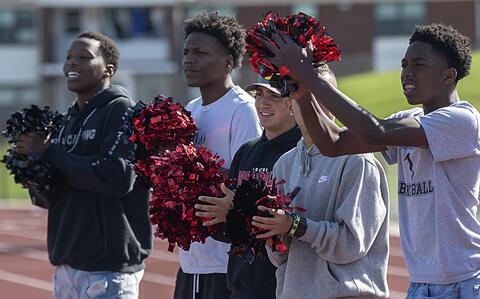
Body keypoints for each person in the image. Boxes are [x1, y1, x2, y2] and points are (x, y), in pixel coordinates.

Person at [263, 23, 480, 297]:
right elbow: (333, 144)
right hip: (420, 284)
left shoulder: (462, 121)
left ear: (449, 75)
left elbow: (373, 130)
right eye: (404, 64)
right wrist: (303, 94)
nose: (407, 72)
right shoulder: (407, 120)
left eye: (419, 65)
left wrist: (308, 75)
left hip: (461, 281)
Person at [13, 31, 153, 298]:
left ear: (107, 69)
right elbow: (54, 195)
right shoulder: (67, 120)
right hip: (67, 265)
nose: (72, 63)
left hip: (109, 269)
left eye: (83, 57)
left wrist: (50, 152)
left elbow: (118, 176)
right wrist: (33, 173)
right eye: (68, 57)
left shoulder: (122, 110)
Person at [251, 64, 390, 299]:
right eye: (304, 96)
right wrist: (269, 230)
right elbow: (278, 256)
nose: (312, 105)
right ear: (289, 104)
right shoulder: (283, 165)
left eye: (323, 96)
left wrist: (295, 225)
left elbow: (352, 243)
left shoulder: (357, 160)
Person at [176, 11, 262, 299]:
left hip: (224, 262)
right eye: (187, 52)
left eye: (200, 53)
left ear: (228, 62)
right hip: (190, 261)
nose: (189, 59)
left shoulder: (243, 110)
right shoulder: (191, 109)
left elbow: (248, 183)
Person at [194, 76, 301, 299]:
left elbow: (294, 220)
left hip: (282, 288)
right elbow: (233, 233)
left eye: (274, 96)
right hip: (241, 286)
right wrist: (211, 216)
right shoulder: (247, 151)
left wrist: (235, 211)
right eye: (259, 95)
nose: (263, 103)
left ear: (293, 102)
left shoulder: (301, 153)